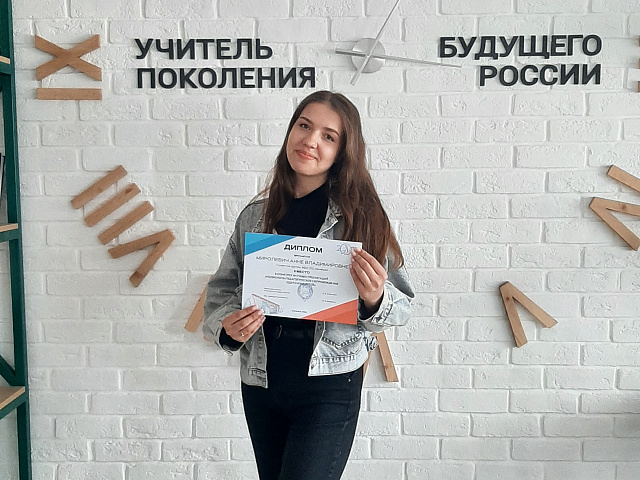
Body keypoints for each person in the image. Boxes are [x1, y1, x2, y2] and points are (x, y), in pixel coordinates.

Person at [203, 90, 414, 480]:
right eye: (304, 126)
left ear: (342, 152)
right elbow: (221, 292)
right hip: (262, 378)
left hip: (329, 382)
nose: (310, 140)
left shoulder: (363, 219)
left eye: (328, 136)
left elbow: (403, 305)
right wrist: (227, 327)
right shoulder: (254, 216)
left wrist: (374, 297)